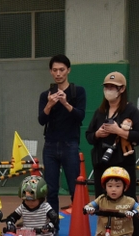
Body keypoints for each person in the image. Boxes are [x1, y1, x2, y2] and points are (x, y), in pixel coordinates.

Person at [85, 71, 139, 236]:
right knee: (103, 205)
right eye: (106, 87)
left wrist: (118, 131)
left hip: (123, 164)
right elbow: (88, 136)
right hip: (102, 164)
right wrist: (98, 134)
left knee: (128, 205)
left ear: (121, 89)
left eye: (112, 87)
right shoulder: (100, 111)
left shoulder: (131, 110)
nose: (108, 90)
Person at [38, 54, 87, 214]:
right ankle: (53, 225)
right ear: (50, 72)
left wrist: (65, 103)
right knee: (51, 189)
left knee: (75, 186)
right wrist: (50, 104)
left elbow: (80, 116)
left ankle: (80, 225)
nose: (58, 73)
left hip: (70, 144)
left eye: (61, 70)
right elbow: (41, 120)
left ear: (68, 70)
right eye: (55, 70)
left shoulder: (77, 91)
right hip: (50, 145)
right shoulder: (45, 95)